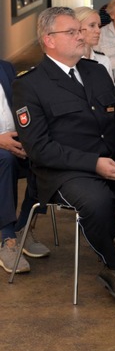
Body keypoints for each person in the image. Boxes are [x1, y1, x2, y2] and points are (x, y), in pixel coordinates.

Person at [13, 7, 115, 306]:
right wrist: (93, 164)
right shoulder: (29, 84)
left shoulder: (95, 71)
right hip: (65, 172)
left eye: (81, 30)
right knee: (97, 202)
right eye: (72, 32)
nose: (81, 36)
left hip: (112, 163)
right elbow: (39, 148)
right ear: (49, 40)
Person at [0, 59, 48, 273]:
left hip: (16, 140)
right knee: (5, 160)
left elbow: (22, 107)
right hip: (2, 150)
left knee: (46, 157)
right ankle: (6, 237)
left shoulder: (6, 67)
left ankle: (23, 227)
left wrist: (30, 139)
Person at [75, 6, 114, 82]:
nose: (98, 30)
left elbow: (110, 92)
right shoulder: (69, 62)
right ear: (77, 28)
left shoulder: (103, 61)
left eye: (99, 26)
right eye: (92, 25)